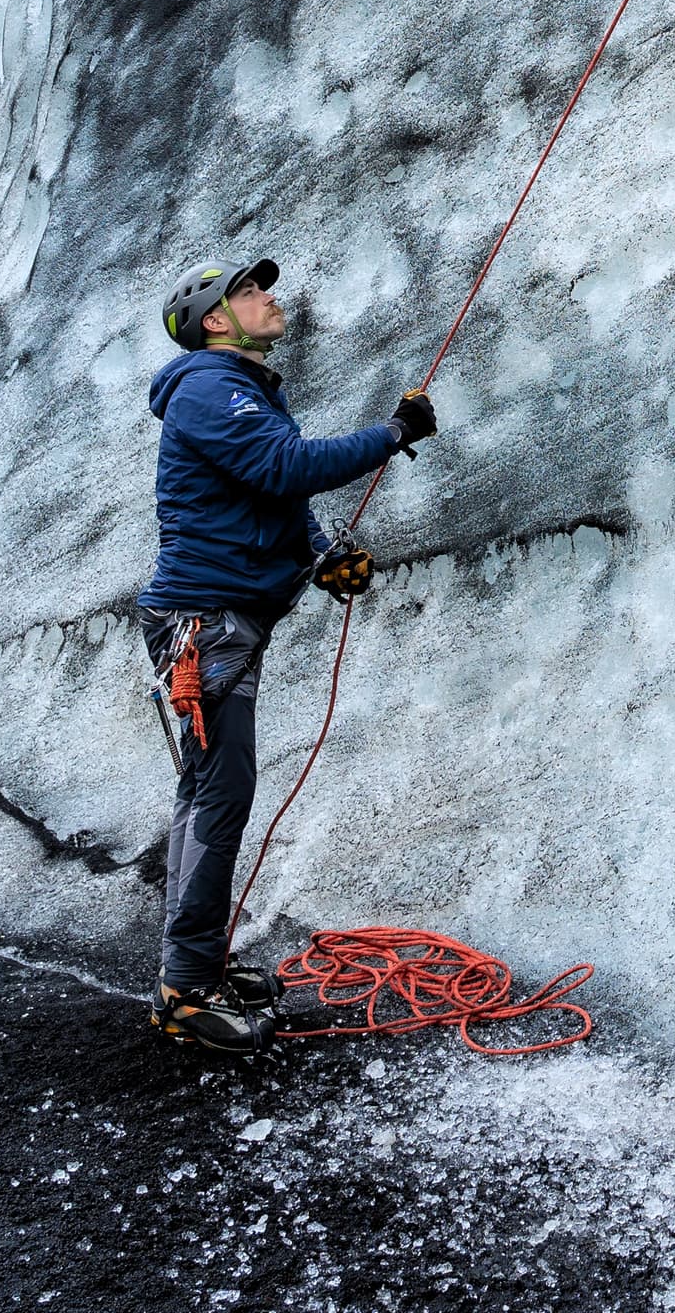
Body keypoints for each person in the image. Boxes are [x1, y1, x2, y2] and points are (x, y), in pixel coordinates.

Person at [137, 254, 436, 1053]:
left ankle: (196, 962)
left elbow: (273, 493)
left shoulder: (237, 391)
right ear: (214, 322)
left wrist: (319, 553)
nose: (269, 298)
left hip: (221, 623)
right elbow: (284, 466)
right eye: (248, 292)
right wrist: (394, 433)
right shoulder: (208, 385)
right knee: (218, 795)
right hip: (204, 625)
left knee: (209, 792)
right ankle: (185, 988)